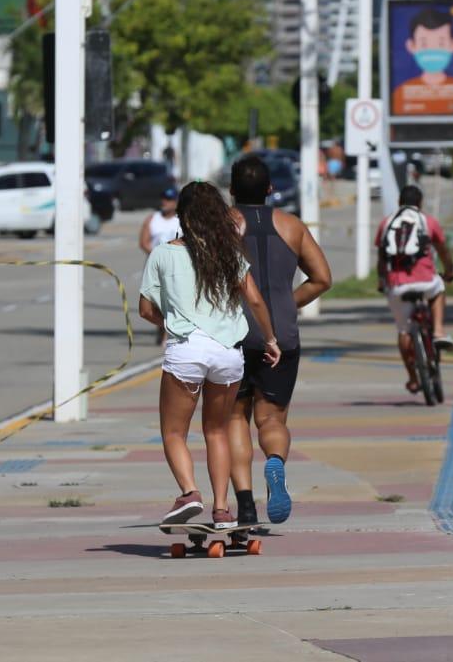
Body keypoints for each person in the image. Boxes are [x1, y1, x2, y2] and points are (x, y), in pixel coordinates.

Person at [138, 182, 282, 529]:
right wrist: (271, 339)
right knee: (217, 431)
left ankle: (189, 493)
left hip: (187, 350)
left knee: (174, 433)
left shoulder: (163, 253)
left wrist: (171, 322)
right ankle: (222, 510)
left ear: (182, 215)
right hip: (228, 354)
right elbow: (257, 301)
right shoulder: (230, 254)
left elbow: (145, 310)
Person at [226, 156, 333, 526]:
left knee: (233, 418)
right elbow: (322, 278)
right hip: (281, 335)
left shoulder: (221, 226)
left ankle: (245, 504)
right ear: (271, 189)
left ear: (232, 190)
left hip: (232, 335)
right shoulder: (291, 226)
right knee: (271, 418)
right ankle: (274, 462)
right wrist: (287, 304)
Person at [377, 185, 453, 394]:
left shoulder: (387, 223)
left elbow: (381, 258)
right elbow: (443, 250)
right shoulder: (428, 222)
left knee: (404, 331)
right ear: (420, 203)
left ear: (399, 203)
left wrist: (381, 280)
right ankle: (438, 331)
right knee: (438, 289)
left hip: (397, 286)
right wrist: (449, 271)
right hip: (426, 282)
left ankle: (413, 378)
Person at [390, 7, 453, 116]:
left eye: (441, 43)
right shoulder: (399, 95)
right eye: (424, 44)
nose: (432, 49)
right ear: (411, 46)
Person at [141, 187, 182, 344]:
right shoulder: (153, 219)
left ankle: (169, 331)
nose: (165, 202)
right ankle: (162, 329)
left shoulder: (180, 219)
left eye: (169, 199)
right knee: (156, 302)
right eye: (164, 198)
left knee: (172, 300)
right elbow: (143, 242)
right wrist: (158, 256)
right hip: (156, 265)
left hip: (176, 265)